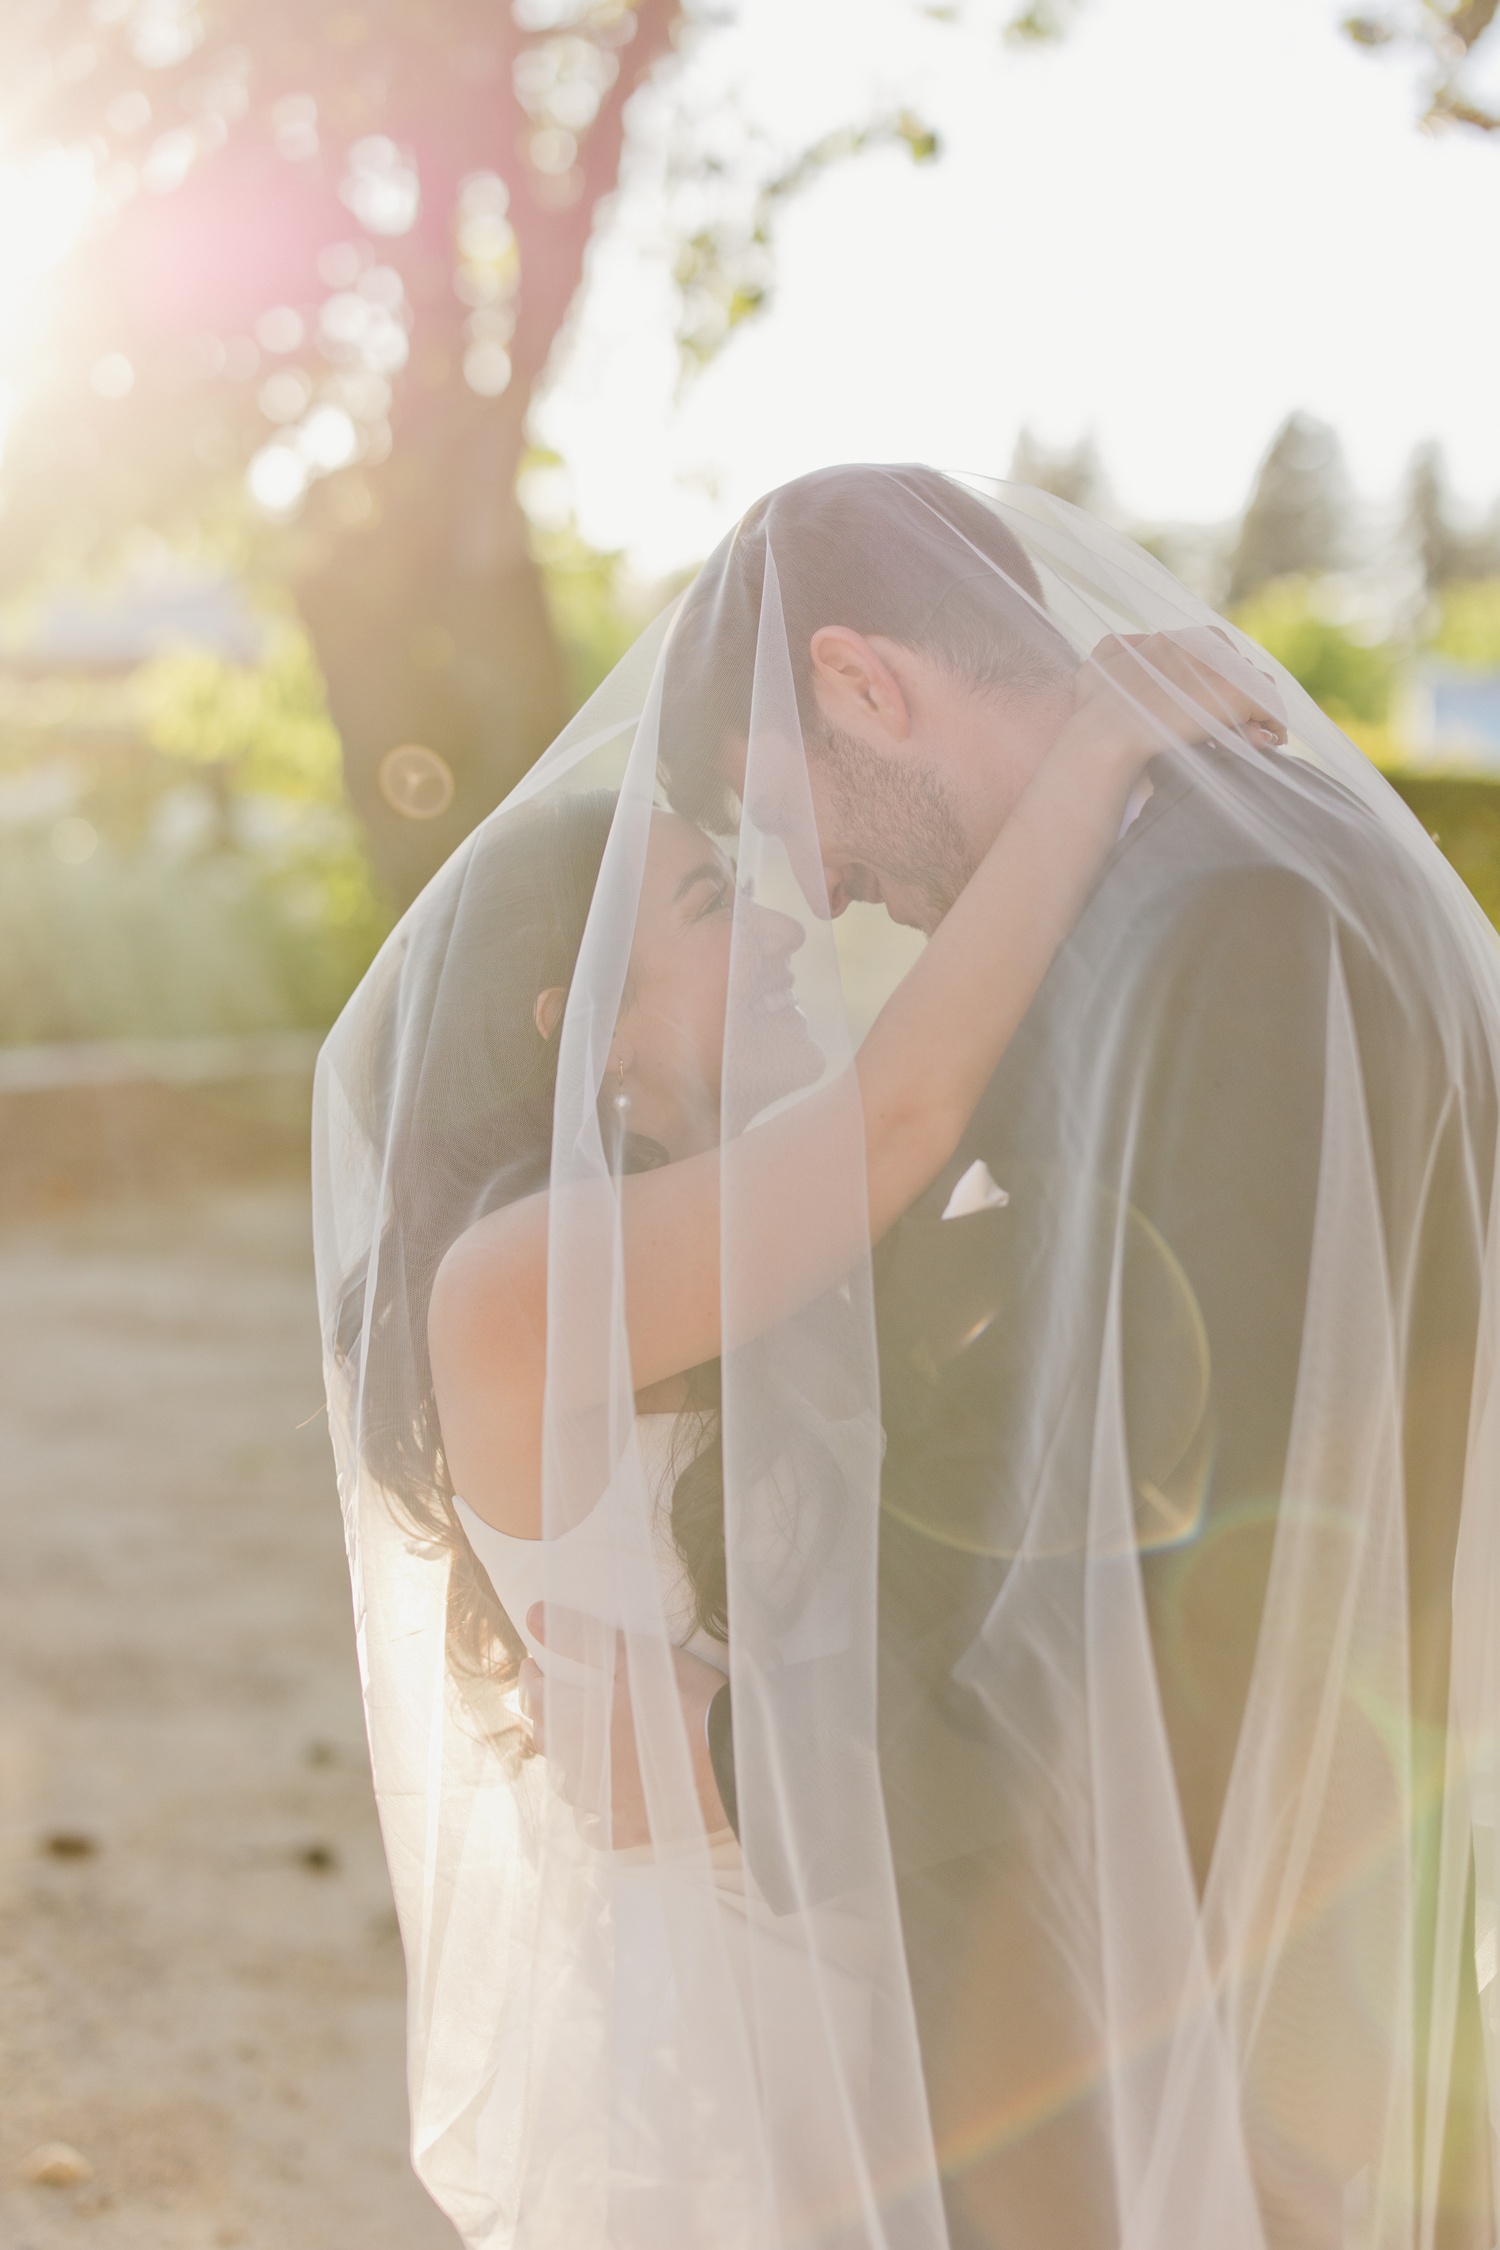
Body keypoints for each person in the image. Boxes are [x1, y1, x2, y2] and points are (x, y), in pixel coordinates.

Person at [313, 467, 1500, 2250]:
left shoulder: (744, 1243)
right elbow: (899, 1122)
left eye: (758, 853)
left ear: (865, 685)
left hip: (875, 1919)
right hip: (739, 1963)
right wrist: (1095, 752)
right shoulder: (516, 1284)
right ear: (586, 1034)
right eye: (719, 904)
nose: (809, 901)